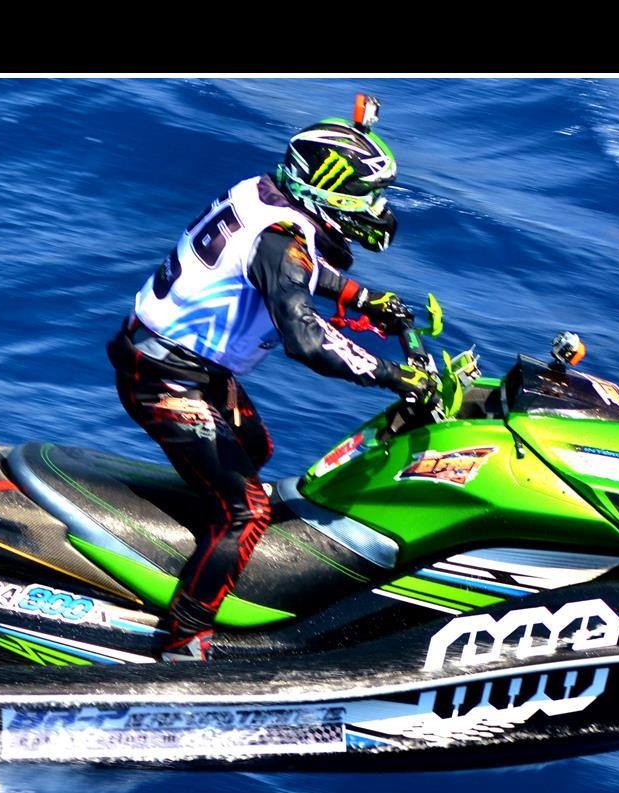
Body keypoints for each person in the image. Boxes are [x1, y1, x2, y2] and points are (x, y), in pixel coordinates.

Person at [107, 94, 438, 661]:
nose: (377, 208)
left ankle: (192, 550)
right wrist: (393, 375)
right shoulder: (283, 241)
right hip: (165, 377)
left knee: (255, 448)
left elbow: (295, 269)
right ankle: (182, 641)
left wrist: (362, 298)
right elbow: (305, 338)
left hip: (182, 362)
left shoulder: (263, 195)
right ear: (329, 191)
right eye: (367, 195)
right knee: (248, 509)